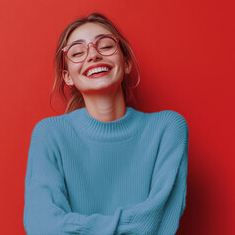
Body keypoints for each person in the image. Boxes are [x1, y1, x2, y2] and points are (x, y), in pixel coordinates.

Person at [23, 13, 189, 235]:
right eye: (78, 52)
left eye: (106, 45)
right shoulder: (50, 134)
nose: (93, 55)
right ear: (68, 77)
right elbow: (42, 225)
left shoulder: (168, 128)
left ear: (127, 62)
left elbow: (157, 224)